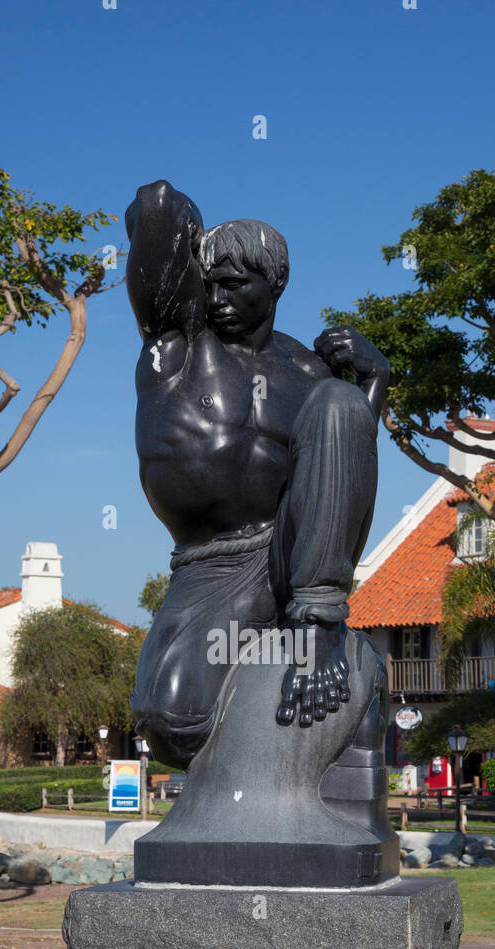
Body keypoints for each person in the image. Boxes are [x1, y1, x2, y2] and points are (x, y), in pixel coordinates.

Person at [124, 181, 389, 770]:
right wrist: (195, 237)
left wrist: (374, 384)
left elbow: (343, 468)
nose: (217, 298)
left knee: (340, 406)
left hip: (289, 553)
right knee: (171, 723)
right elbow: (155, 208)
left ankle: (320, 628)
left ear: (275, 286)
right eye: (209, 282)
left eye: (235, 284)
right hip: (210, 562)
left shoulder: (309, 370)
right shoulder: (179, 343)